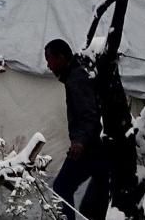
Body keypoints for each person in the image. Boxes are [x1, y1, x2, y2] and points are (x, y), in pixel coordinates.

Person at [44, 39, 110, 220]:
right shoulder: (78, 74)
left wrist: (79, 141)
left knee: (62, 187)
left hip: (90, 146)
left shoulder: (77, 78)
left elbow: (89, 113)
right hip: (100, 146)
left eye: (50, 60)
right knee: (98, 195)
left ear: (62, 57)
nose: (48, 66)